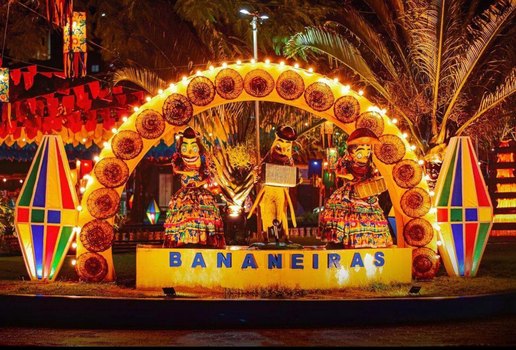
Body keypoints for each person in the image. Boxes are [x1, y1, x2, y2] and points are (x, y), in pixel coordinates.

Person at [319, 128, 393, 249]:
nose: (365, 153)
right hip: (350, 193)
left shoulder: (369, 164)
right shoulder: (346, 162)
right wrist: (349, 177)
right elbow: (339, 173)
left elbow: (372, 176)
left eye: (368, 150)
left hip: (366, 192)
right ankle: (341, 239)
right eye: (361, 150)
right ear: (352, 152)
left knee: (370, 216)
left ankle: (368, 241)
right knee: (345, 215)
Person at [163, 127, 226, 248]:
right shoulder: (178, 158)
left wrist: (200, 183)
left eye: (194, 146)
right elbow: (176, 170)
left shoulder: (203, 159)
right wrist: (187, 173)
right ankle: (184, 239)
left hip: (200, 191)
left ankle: (203, 239)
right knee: (184, 214)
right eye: (185, 146)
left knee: (201, 213)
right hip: (185, 191)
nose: (190, 151)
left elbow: (209, 175)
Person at [247, 125, 300, 244]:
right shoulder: (269, 157)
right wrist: (256, 173)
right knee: (265, 213)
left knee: (281, 213)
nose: (283, 149)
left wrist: (297, 179)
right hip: (267, 190)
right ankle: (265, 236)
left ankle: (286, 236)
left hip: (281, 191)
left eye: (287, 145)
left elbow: (293, 174)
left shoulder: (289, 160)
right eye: (280, 143)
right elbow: (259, 170)